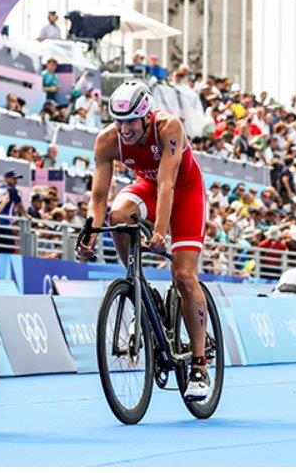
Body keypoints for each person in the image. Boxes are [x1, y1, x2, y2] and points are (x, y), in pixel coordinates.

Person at [76, 79, 213, 401]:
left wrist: (161, 231)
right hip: (148, 188)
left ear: (147, 117)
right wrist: (90, 232)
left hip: (185, 192)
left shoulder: (168, 127)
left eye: (131, 123)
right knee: (118, 216)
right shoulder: (107, 140)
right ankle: (138, 285)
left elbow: (168, 184)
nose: (124, 130)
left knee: (183, 275)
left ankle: (199, 364)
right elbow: (99, 197)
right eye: (119, 122)